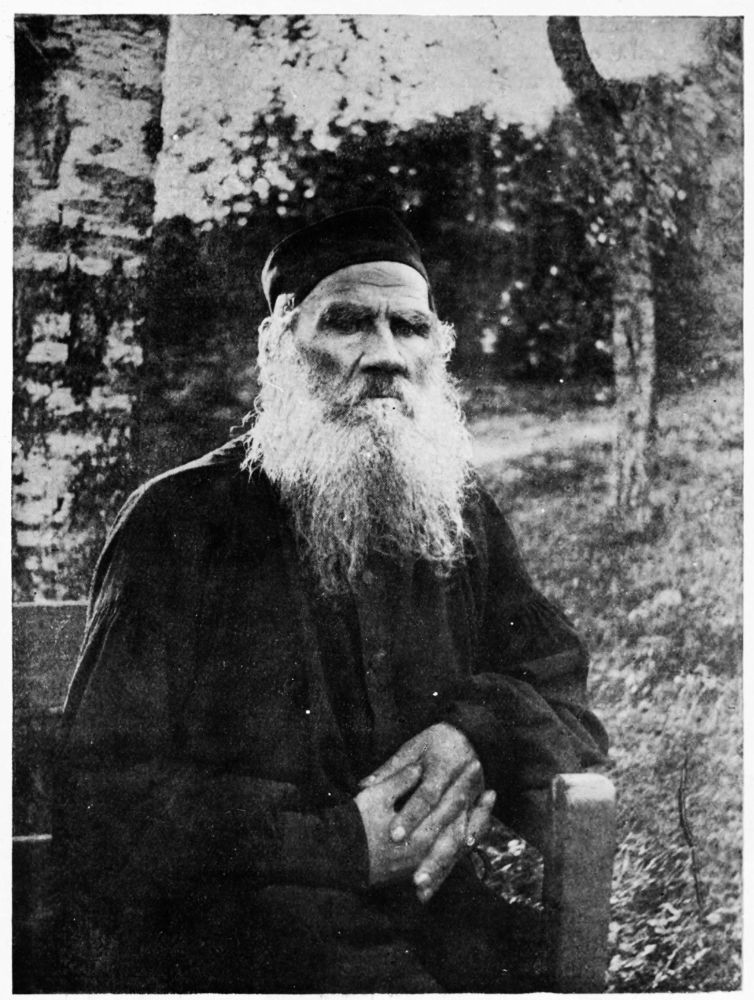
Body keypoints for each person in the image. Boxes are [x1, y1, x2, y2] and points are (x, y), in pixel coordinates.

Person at [53, 206, 609, 992]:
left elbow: (563, 697)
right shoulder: (179, 521)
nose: (385, 355)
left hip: (432, 925)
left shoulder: (455, 514)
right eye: (348, 323)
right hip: (240, 946)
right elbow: (102, 803)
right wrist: (342, 842)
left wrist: (475, 732)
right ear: (277, 347)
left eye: (409, 327)